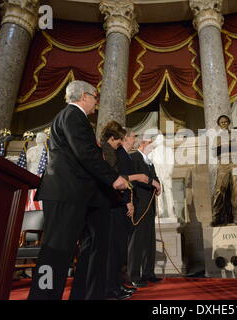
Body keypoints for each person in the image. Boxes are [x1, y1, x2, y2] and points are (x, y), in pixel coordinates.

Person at [28, 80, 128, 300]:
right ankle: (43, 297)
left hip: (82, 195)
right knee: (55, 252)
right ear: (84, 96)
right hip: (65, 193)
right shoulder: (72, 115)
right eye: (95, 97)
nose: (96, 103)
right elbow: (84, 153)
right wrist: (113, 178)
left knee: (90, 246)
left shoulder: (75, 118)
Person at [102, 123, 149, 299]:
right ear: (113, 138)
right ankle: (111, 288)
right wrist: (128, 200)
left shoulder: (117, 152)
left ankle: (117, 285)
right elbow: (119, 178)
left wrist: (128, 198)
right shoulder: (110, 152)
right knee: (114, 250)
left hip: (118, 202)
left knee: (119, 250)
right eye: (120, 139)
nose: (121, 143)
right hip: (113, 205)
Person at [127, 136, 162, 288]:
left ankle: (149, 273)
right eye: (150, 144)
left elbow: (155, 178)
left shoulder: (149, 161)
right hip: (139, 205)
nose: (152, 147)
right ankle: (134, 275)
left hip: (150, 206)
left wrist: (158, 186)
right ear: (142, 143)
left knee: (149, 240)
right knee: (137, 241)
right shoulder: (133, 157)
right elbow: (131, 181)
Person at [211, 115, 237, 226]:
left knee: (236, 191)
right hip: (223, 165)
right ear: (219, 124)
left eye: (225, 121)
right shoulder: (217, 138)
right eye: (221, 122)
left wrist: (224, 147)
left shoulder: (236, 134)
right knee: (219, 190)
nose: (224, 123)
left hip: (235, 163)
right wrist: (227, 146)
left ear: (229, 123)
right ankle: (216, 216)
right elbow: (214, 153)